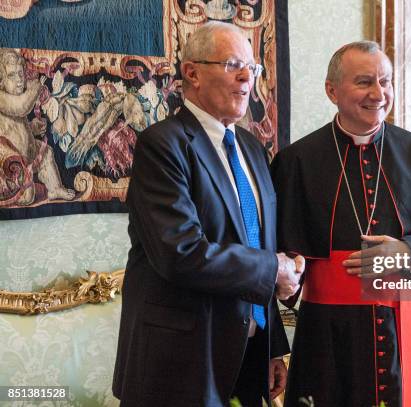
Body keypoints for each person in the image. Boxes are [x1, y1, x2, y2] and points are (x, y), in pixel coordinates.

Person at [272, 41, 411, 407]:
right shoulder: (296, 160)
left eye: (386, 81)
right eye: (365, 82)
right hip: (326, 333)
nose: (379, 93)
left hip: (399, 327)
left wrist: (408, 251)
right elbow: (278, 255)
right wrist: (290, 277)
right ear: (331, 90)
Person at [112, 21, 303, 407]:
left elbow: (256, 241)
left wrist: (270, 346)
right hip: (180, 363)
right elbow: (180, 253)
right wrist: (274, 270)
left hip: (246, 357)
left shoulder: (251, 147)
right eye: (234, 64)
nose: (248, 77)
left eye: (254, 68)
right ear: (192, 73)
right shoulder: (162, 145)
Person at [0, 49, 75, 205]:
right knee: (27, 197)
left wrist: (31, 128)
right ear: (1, 80)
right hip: (10, 166)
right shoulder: (2, 97)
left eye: (21, 74)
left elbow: (16, 126)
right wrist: (35, 88)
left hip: (27, 154)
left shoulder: (16, 95)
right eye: (12, 75)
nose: (19, 80)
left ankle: (55, 189)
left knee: (46, 152)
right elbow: (21, 107)